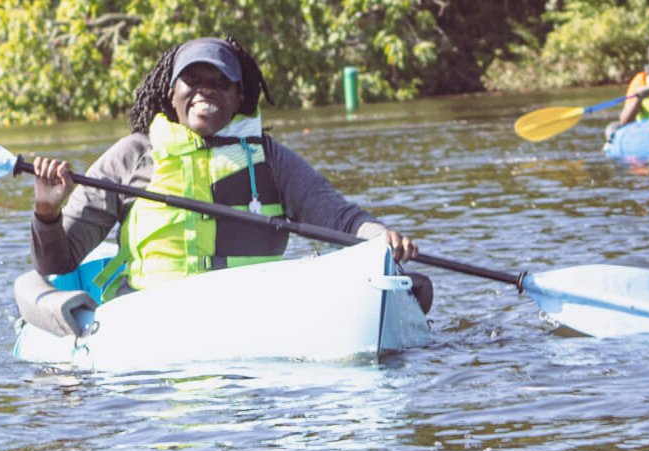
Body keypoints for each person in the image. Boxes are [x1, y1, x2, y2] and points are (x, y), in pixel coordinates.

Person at [23, 36, 431, 334]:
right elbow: (57, 264)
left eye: (220, 81)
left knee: (410, 286)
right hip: (151, 320)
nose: (206, 90)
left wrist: (381, 238)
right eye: (193, 80)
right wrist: (47, 210)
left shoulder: (269, 158)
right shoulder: (132, 155)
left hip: (251, 314)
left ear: (239, 97)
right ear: (171, 93)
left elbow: (339, 218)